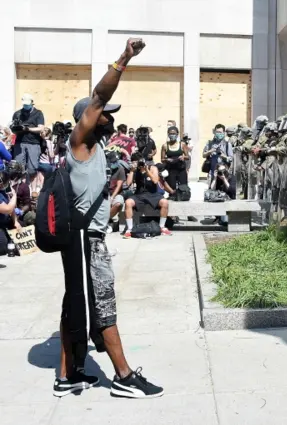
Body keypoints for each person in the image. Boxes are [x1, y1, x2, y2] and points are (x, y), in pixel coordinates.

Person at [58, 37, 163, 399]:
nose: (111, 116)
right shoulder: (80, 141)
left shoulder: (98, 148)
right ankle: (123, 376)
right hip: (88, 240)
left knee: (75, 302)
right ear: (87, 118)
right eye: (105, 112)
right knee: (103, 303)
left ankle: (67, 376)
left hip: (86, 236)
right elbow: (99, 95)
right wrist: (124, 58)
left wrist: (109, 201)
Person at [124, 153, 172, 239]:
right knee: (128, 202)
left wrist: (147, 171)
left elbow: (155, 181)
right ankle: (129, 229)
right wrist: (131, 171)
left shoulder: (153, 168)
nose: (138, 165)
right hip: (139, 195)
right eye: (135, 163)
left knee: (164, 202)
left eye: (138, 162)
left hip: (153, 194)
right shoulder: (134, 170)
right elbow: (128, 184)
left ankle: (161, 227)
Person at [11, 94, 45, 187]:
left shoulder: (38, 113)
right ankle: (21, 189)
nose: (26, 106)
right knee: (19, 168)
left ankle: (33, 190)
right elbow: (13, 129)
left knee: (32, 168)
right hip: (20, 142)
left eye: (27, 104)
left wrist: (28, 129)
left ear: (32, 103)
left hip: (34, 142)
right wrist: (16, 128)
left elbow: (41, 128)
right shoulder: (17, 113)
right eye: (24, 104)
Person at [160, 126, 189, 190]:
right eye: (170, 134)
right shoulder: (165, 146)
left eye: (174, 134)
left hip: (181, 168)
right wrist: (167, 160)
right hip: (171, 168)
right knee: (172, 186)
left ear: (177, 134)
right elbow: (162, 160)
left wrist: (183, 157)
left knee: (183, 186)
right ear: (168, 134)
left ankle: (183, 196)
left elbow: (188, 157)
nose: (172, 135)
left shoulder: (182, 144)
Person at [7, 161, 35, 227]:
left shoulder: (24, 187)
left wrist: (21, 211)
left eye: (12, 169)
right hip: (7, 210)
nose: (10, 172)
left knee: (32, 217)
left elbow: (27, 204)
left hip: (20, 212)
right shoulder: (5, 184)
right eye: (9, 169)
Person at [107, 152, 126, 228]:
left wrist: (112, 197)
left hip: (117, 193)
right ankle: (114, 221)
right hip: (105, 193)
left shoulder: (120, 169)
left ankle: (106, 220)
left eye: (116, 161)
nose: (115, 163)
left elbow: (119, 186)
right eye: (113, 162)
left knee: (118, 203)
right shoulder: (102, 169)